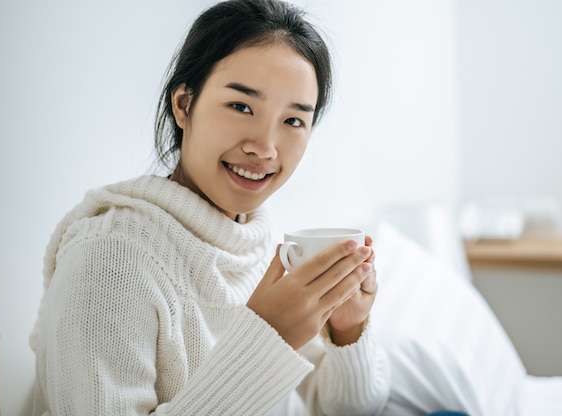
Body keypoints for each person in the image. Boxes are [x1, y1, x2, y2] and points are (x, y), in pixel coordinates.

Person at [29, 0, 390, 414]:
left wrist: (347, 328)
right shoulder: (109, 259)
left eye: (293, 120)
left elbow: (349, 409)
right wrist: (266, 338)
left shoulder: (260, 249)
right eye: (241, 106)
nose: (265, 148)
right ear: (184, 105)